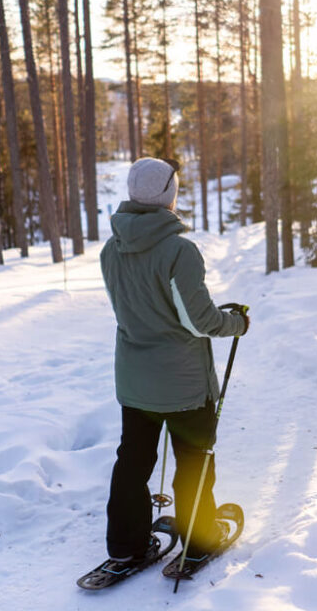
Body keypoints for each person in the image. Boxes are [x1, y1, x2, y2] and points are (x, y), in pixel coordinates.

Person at [99, 157, 248, 569]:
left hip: (134, 381)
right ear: (169, 194)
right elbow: (198, 321)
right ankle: (200, 540)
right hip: (183, 384)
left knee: (133, 462)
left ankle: (126, 545)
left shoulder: (112, 249)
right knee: (195, 457)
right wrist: (235, 323)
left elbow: (132, 310)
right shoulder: (179, 250)